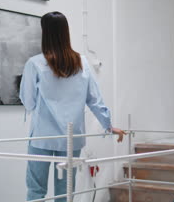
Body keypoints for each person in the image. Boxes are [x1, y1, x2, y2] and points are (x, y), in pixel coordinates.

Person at [19, 11, 126, 201]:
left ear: (45, 33)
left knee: (36, 192)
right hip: (71, 138)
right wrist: (108, 126)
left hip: (42, 137)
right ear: (65, 32)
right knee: (66, 193)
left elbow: (28, 102)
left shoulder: (34, 64)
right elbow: (95, 100)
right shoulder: (82, 62)